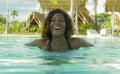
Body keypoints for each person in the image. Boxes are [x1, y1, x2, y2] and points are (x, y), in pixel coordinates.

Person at [25, 9, 93, 51]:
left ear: (67, 25)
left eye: (61, 21)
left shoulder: (77, 42)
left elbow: (94, 49)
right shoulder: (41, 43)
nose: (57, 23)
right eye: (53, 20)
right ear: (48, 25)